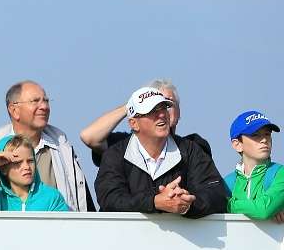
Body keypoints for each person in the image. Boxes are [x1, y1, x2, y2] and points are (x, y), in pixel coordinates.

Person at [95, 86, 227, 217]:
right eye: (152, 111)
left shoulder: (191, 150)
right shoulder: (115, 154)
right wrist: (154, 202)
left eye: (164, 107)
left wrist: (187, 203)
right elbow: (109, 199)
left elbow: (216, 194)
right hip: (127, 237)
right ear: (134, 123)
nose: (162, 114)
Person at [0, 81, 93, 211]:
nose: (44, 106)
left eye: (46, 101)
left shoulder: (61, 145)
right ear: (14, 110)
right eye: (35, 101)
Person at [80, 78, 212, 166]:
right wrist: (132, 105)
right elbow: (89, 136)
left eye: (167, 104)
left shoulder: (193, 147)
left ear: (179, 111)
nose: (162, 113)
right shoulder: (125, 147)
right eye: (154, 107)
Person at [0, 135, 69, 212]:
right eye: (17, 163)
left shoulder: (51, 197)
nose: (26, 167)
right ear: (3, 169)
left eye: (30, 161)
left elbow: (63, 230)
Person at [224, 111, 284, 221]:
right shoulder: (227, 183)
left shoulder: (280, 173)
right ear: (237, 145)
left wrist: (227, 204)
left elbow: (264, 210)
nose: (264, 140)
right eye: (255, 135)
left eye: (267, 134)